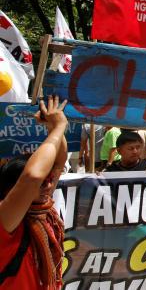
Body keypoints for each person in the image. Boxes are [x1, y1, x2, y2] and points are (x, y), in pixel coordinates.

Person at [0, 95, 68, 289]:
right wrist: (59, 127)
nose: (49, 185)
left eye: (49, 180)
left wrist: (51, 128)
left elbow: (58, 162)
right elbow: (32, 176)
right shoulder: (6, 219)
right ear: (11, 189)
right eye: (43, 182)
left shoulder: (40, 208)